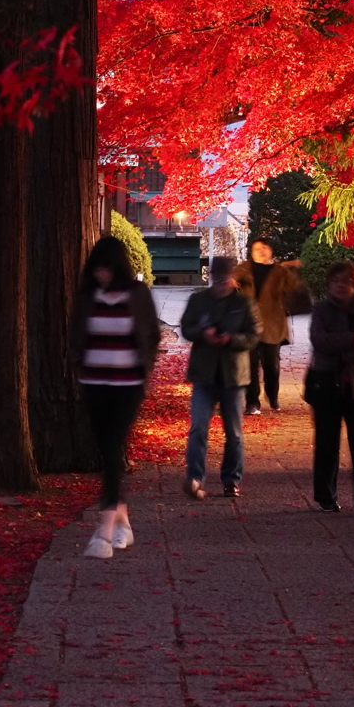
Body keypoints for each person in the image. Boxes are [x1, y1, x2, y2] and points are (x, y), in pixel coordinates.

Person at [69, 235, 161, 559]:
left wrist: (144, 367)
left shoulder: (136, 295)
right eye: (97, 269)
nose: (102, 274)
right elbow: (77, 334)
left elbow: (151, 334)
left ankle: (104, 532)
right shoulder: (87, 297)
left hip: (127, 386)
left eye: (107, 268)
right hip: (94, 383)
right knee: (106, 450)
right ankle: (122, 522)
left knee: (111, 449)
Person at [180, 255, 261, 499]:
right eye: (216, 279)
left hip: (233, 374)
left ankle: (231, 479)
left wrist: (232, 339)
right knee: (198, 428)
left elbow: (255, 334)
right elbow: (186, 327)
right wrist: (203, 333)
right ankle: (195, 477)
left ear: (233, 279)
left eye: (225, 279)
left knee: (234, 432)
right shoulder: (198, 300)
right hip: (205, 372)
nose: (221, 284)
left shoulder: (244, 303)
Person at [304, 260, 354, 515]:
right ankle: (326, 496)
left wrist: (344, 351)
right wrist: (351, 339)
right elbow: (319, 341)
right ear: (329, 284)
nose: (340, 285)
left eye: (346, 281)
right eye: (336, 281)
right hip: (326, 382)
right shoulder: (321, 310)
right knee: (326, 442)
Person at [235, 238, 302, 415]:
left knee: (271, 365)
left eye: (264, 248)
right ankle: (252, 402)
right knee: (250, 365)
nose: (261, 251)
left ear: (271, 250)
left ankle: (272, 396)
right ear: (251, 252)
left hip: (272, 324)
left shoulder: (280, 271)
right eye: (257, 248)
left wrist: (292, 269)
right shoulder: (243, 268)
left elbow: (295, 290)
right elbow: (230, 285)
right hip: (248, 325)